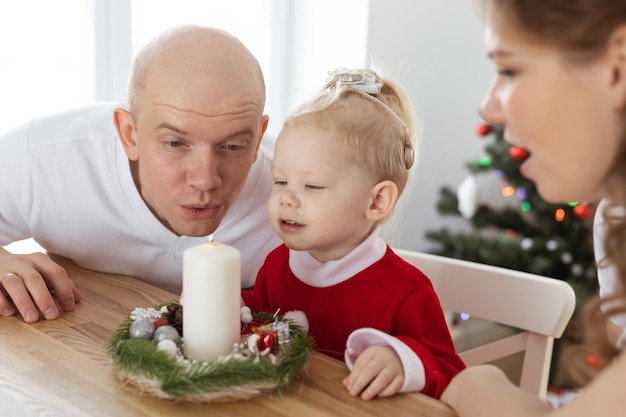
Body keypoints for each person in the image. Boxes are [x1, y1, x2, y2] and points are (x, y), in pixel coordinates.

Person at [0, 25, 281, 324]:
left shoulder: (300, 189)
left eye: (233, 146)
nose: (206, 180)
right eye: (175, 143)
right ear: (129, 134)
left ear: (258, 139)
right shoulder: (46, 156)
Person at [441, 1, 626, 415]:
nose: (488, 108)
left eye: (508, 70)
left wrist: (477, 385)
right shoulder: (616, 217)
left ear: (617, 67)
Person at [241, 68, 465, 401]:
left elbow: (450, 373)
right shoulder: (278, 265)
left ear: (376, 201)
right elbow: (259, 314)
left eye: (312, 185)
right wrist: (227, 307)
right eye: (281, 181)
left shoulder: (406, 293)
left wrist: (403, 362)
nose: (286, 197)